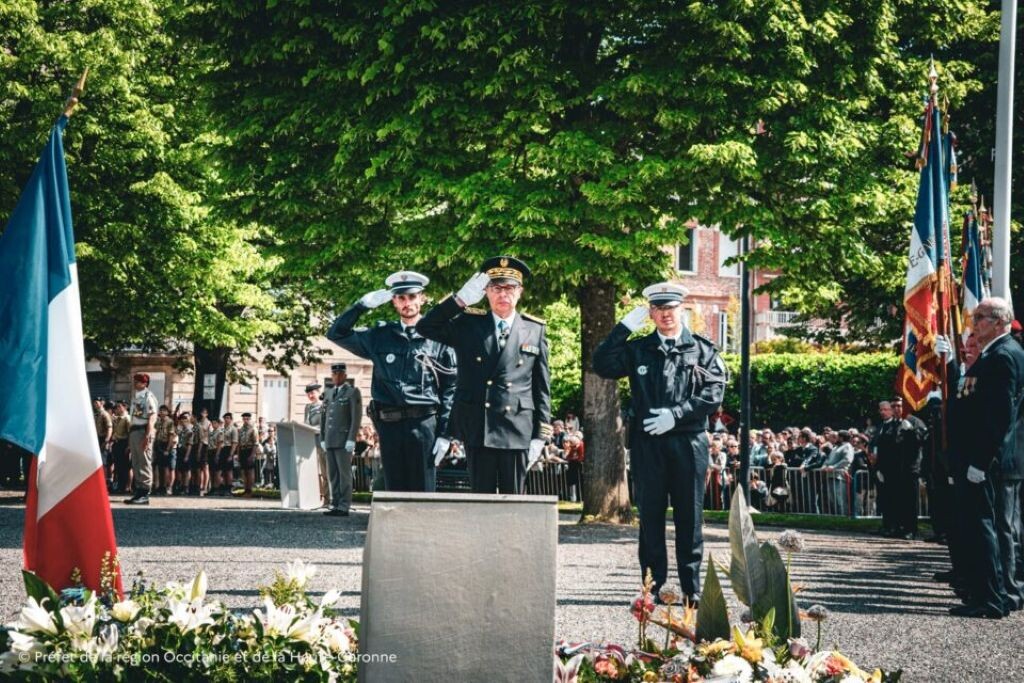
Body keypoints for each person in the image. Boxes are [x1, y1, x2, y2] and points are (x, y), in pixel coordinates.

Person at [592, 282, 727, 605]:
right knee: (650, 516)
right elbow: (602, 363)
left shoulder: (702, 349)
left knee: (689, 517)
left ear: (683, 310)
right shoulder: (639, 348)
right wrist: (623, 328)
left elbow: (713, 393)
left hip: (688, 442)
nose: (666, 315)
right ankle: (653, 587)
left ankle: (691, 589)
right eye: (659, 309)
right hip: (648, 444)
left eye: (672, 308)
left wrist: (677, 414)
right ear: (651, 313)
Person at [416, 255, 552, 494]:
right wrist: (459, 300)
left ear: (520, 292)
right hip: (480, 426)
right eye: (496, 288)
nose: (503, 294)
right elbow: (425, 327)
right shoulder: (468, 324)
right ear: (485, 291)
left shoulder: (534, 329)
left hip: (517, 428)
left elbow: (542, 388)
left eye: (509, 288)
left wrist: (540, 435)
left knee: (514, 504)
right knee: (481, 502)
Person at [327, 270, 457, 492]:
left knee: (423, 492)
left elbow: (450, 389)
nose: (407, 303)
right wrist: (360, 307)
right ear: (394, 302)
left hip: (424, 423)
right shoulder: (381, 335)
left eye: (412, 297)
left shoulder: (440, 337)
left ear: (422, 298)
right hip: (389, 424)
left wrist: (445, 433)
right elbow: (336, 333)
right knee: (394, 491)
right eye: (401, 298)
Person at [950, 297, 1024, 618]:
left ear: (998, 321)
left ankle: (991, 598)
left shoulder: (1003, 355)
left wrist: (980, 461)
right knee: (982, 525)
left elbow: (998, 416)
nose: (974, 322)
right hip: (986, 457)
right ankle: (988, 594)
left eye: (979, 317)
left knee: (986, 527)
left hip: (990, 460)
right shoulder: (997, 353)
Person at [320, 363, 362, 516]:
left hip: (344, 440)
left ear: (345, 376)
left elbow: (355, 418)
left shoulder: (352, 392)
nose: (336, 376)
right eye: (334, 374)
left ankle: (344, 506)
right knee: (333, 475)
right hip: (330, 440)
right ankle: (335, 503)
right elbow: (324, 418)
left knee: (344, 474)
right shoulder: (329, 393)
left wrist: (351, 438)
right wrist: (322, 438)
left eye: (340, 374)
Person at [124, 373, 159, 505]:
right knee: (136, 462)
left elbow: (152, 417)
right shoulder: (135, 397)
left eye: (138, 382)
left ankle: (145, 492)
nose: (135, 383)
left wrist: (148, 436)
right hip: (134, 430)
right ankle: (138, 491)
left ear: (145, 384)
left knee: (144, 461)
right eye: (135, 381)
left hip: (143, 430)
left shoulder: (148, 397)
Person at [304, 382, 328, 507]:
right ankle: (313, 497)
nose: (310, 395)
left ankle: (328, 499)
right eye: (308, 393)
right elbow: (306, 423)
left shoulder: (324, 406)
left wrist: (314, 429)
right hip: (309, 443)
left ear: (319, 393)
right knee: (313, 473)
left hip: (321, 441)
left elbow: (325, 425)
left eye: (312, 393)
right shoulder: (307, 407)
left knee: (325, 472)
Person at [92, 397, 113, 488]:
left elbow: (109, 427)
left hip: (103, 439)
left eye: (97, 403)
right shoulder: (96, 414)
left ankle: (104, 482)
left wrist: (106, 440)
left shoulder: (105, 414)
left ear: (102, 403)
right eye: (94, 403)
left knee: (103, 462)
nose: (95, 404)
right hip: (96, 439)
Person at [238, 412, 258, 496]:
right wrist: (238, 454)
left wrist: (252, 455)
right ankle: (245, 489)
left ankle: (250, 490)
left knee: (250, 471)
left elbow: (256, 443)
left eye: (247, 419)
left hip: (250, 450)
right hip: (242, 450)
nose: (245, 420)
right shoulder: (241, 429)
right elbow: (239, 442)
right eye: (244, 419)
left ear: (250, 419)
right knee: (243, 471)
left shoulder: (253, 429)